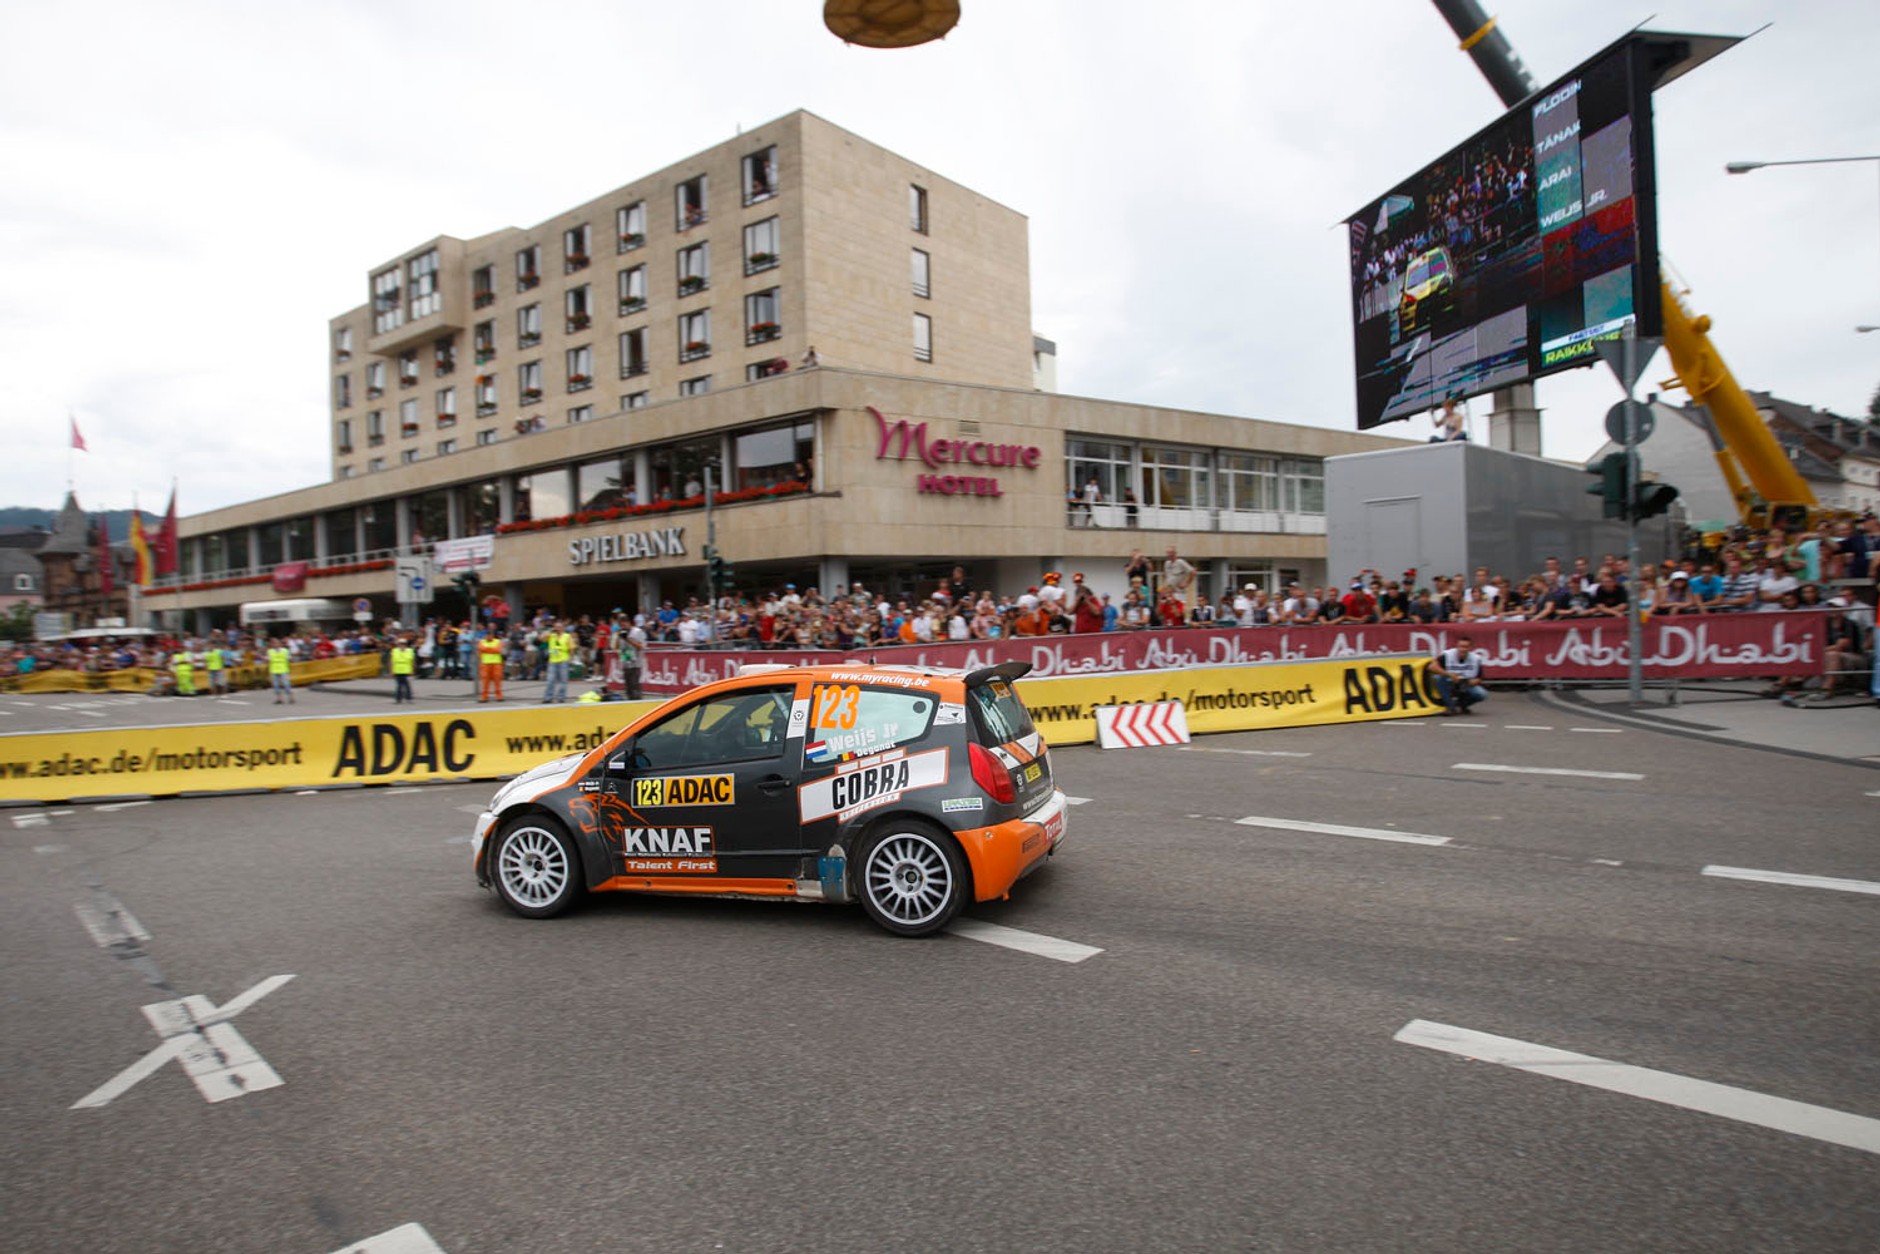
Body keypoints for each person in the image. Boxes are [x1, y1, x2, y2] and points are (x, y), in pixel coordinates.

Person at [1430, 634, 1487, 716]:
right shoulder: (1448, 655)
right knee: (1438, 678)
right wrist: (1449, 675)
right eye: (1461, 646)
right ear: (1457, 646)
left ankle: (1461, 705)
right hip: (1450, 682)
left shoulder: (1476, 659)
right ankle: (1450, 707)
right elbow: (1432, 667)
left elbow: (1479, 678)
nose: (1463, 649)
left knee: (1481, 694)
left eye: (1466, 647)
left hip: (1465, 684)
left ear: (1470, 648)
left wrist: (1472, 682)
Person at [542, 620, 573, 703]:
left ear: (563, 628)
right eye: (556, 627)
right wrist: (550, 631)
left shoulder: (567, 636)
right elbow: (542, 638)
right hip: (553, 661)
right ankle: (548, 698)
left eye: (559, 627)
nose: (558, 629)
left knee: (563, 681)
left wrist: (570, 659)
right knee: (550, 680)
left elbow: (571, 648)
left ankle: (561, 697)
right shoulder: (551, 635)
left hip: (563, 660)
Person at [1161, 546, 1196, 613]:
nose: (1169, 555)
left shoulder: (1180, 562)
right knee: (1168, 611)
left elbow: (1193, 572)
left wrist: (1186, 583)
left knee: (1179, 612)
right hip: (1169, 593)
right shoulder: (1166, 563)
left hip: (1179, 593)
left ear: (1175, 553)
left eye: (1171, 553)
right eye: (1168, 553)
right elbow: (1167, 576)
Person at [477, 629, 506, 702]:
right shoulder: (481, 642)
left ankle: (499, 696)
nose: (488, 636)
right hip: (485, 664)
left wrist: (487, 650)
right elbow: (481, 649)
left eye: (490, 635)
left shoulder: (498, 641)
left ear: (492, 635)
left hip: (496, 663)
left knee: (497, 681)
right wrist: (492, 650)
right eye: (487, 635)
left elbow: (498, 650)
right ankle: (484, 697)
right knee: (485, 681)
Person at [268, 637, 295, 704]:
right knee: (276, 685)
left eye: (276, 643)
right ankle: (279, 699)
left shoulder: (285, 650)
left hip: (283, 669)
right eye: (273, 643)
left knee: (286, 684)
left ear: (279, 643)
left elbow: (290, 659)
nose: (275, 644)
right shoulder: (270, 651)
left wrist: (290, 659)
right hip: (274, 669)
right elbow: (269, 659)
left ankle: (291, 697)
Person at [390, 635, 416, 703]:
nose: (402, 645)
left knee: (407, 685)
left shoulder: (410, 651)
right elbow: (392, 661)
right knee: (399, 685)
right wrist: (392, 670)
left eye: (403, 644)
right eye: (400, 644)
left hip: (407, 670)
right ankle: (398, 699)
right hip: (398, 669)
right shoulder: (395, 651)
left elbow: (412, 661)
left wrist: (412, 670)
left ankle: (409, 698)